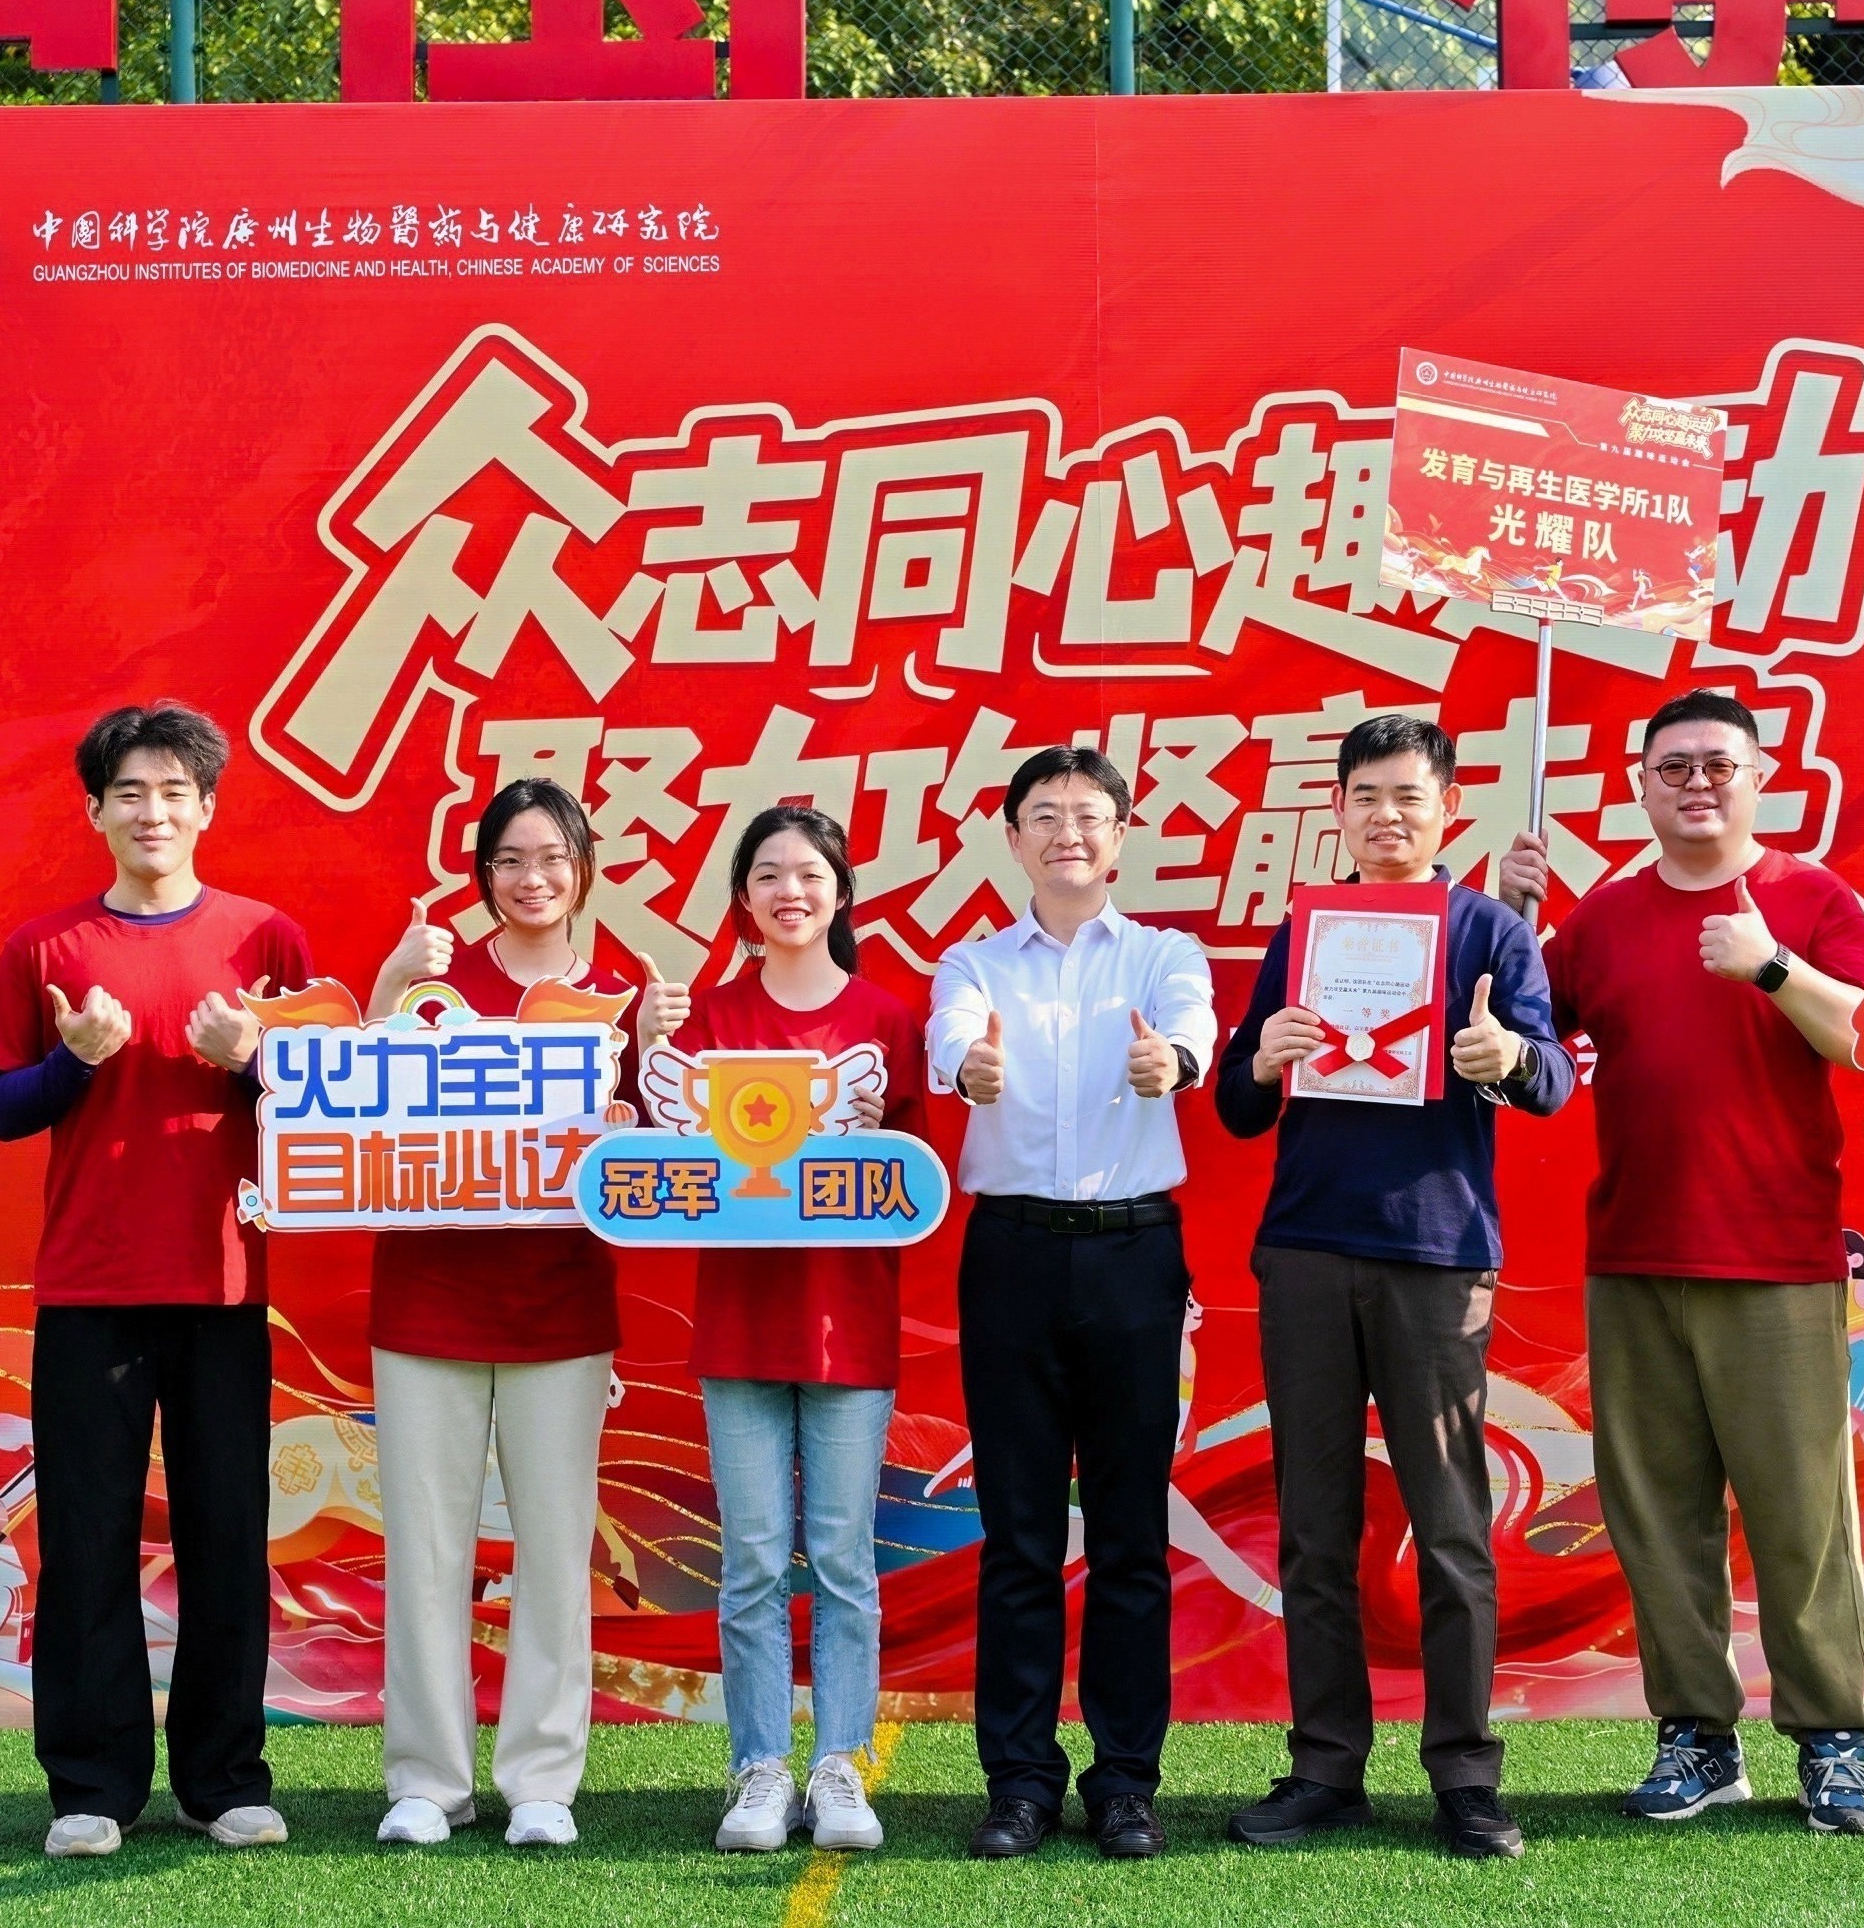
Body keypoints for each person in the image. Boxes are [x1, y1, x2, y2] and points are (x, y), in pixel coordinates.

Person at [1500, 686, 1864, 1835]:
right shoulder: (1605, 918)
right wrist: (1507, 926)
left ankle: (1830, 1737)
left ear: (1758, 777)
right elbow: (1526, 1052)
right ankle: (1697, 1736)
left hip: (1777, 1257)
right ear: (1639, 784)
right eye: (1672, 766)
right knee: (1657, 1514)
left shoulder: (1809, 898)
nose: (1696, 784)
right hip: (1634, 1254)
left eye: (1718, 763)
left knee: (1800, 1514)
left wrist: (1771, 967)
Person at [1215, 713, 1573, 1861]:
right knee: (1314, 1527)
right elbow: (1234, 1102)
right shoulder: (1304, 928)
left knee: (1451, 1525)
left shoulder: (1488, 929)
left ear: (1446, 806)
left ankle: (1465, 1771)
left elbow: (1553, 1079)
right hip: (1308, 1250)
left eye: (1407, 794)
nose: (1385, 814)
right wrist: (1264, 1053)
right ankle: (1326, 1764)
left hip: (1436, 1253)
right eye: (1364, 794)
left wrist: (1504, 1059)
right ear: (1335, 809)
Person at [0, 703, 311, 1859]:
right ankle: (92, 1785)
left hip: (224, 1284)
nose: (152, 810)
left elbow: (327, 1107)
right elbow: (1, 1108)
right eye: (129, 791)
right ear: (95, 810)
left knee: (227, 1534)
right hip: (89, 1287)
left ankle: (225, 1779)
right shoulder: (46, 947)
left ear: (207, 807)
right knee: (87, 1538)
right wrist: (74, 1060)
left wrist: (252, 1060)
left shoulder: (266, 940)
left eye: (173, 790)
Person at [363, 777, 685, 1851]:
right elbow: (352, 1106)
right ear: (482, 874)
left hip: (563, 1307)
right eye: (509, 859)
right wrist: (388, 985)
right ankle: (428, 1779)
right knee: (426, 1549)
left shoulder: (620, 993)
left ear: (584, 868)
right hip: (426, 1300)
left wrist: (652, 1062)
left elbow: (655, 1165)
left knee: (553, 1551)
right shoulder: (436, 983)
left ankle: (542, 1777)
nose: (531, 877)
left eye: (551, 857)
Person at [926, 747, 1217, 1861]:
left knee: (1131, 1532)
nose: (1067, 834)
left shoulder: (1161, 954)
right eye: (1044, 816)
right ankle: (1019, 1780)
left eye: (1088, 815)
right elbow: (950, 1037)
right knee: (1019, 1535)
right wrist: (970, 1070)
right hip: (1010, 1255)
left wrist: (1171, 1064)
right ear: (1012, 838)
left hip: (1134, 1256)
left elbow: (1190, 1028)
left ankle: (1126, 1780)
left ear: (1120, 833)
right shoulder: (974, 962)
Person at [663, 806, 925, 1856]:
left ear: (840, 892)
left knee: (844, 1558)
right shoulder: (707, 1018)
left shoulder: (886, 1018)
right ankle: (761, 1766)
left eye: (809, 873)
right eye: (768, 874)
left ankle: (840, 1763)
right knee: (755, 1562)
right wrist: (645, 1051)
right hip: (739, 1321)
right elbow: (661, 1160)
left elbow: (914, 1178)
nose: (790, 891)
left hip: (848, 1320)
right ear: (743, 899)